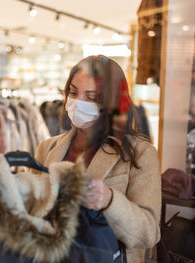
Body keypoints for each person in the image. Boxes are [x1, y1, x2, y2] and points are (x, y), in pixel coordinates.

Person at [35, 55, 161, 263]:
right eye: (73, 93)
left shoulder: (140, 153)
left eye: (91, 97)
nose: (78, 103)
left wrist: (109, 200)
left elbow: (148, 233)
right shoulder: (47, 148)